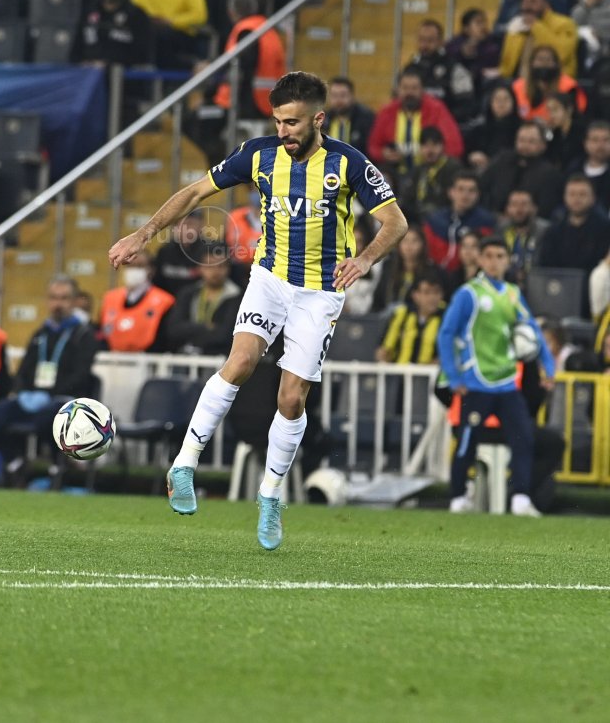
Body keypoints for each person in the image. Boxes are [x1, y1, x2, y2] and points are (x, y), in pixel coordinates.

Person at [108, 70, 408, 550]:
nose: (283, 131)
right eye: (277, 121)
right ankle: (184, 464)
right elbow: (195, 193)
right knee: (241, 362)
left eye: (292, 123)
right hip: (270, 278)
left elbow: (395, 221)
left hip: (320, 291)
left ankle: (270, 495)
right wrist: (143, 234)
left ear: (318, 119)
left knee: (291, 399)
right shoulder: (258, 155)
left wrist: (366, 259)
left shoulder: (348, 163)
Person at [437, 235, 555, 516]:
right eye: (488, 256)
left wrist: (548, 367)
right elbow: (446, 333)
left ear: (508, 261)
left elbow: (533, 331)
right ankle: (457, 497)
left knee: (524, 438)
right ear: (480, 259)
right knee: (467, 441)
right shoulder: (469, 293)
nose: (494, 262)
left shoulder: (513, 293)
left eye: (500, 257)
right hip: (476, 382)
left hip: (506, 382)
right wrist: (454, 377)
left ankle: (520, 497)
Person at [0, 275, 100, 484]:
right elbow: (24, 370)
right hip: (33, 396)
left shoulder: (83, 335)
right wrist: (21, 392)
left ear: (74, 302)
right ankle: (15, 461)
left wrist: (49, 394)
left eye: (64, 298)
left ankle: (58, 464)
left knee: (49, 418)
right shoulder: (41, 334)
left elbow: (81, 375)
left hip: (65, 399)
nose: (58, 304)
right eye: (53, 298)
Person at [367, 64, 464, 178]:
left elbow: (455, 147)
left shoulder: (437, 110)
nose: (409, 93)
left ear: (422, 89)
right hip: (395, 174)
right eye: (405, 88)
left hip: (429, 173)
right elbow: (373, 146)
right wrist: (383, 154)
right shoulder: (386, 112)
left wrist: (433, 155)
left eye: (414, 88)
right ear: (397, 90)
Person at [166, 243, 242, 353]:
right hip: (186, 356)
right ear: (200, 267)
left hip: (220, 356)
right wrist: (207, 327)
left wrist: (191, 331)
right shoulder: (187, 293)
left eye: (221, 266)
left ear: (228, 268)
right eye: (210, 265)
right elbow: (174, 330)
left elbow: (225, 335)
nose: (216, 271)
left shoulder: (237, 296)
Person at [479, 121, 564, 220]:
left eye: (531, 141)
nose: (525, 145)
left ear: (543, 145)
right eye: (521, 140)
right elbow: (482, 187)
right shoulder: (502, 161)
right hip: (493, 218)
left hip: (530, 224)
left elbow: (545, 209)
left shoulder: (550, 174)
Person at [75, 0, 153, 68]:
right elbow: (76, 49)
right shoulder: (87, 12)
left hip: (124, 74)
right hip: (89, 73)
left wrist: (110, 65)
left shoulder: (137, 15)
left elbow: (143, 55)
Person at [408, 17, 477, 134]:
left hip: (445, 129)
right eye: (421, 40)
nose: (425, 45)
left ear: (440, 41)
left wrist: (441, 120)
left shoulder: (454, 68)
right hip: (413, 128)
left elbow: (466, 106)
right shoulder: (410, 69)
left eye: (430, 40)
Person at [536, 174, 610, 279]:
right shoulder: (554, 231)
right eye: (572, 194)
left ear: (593, 198)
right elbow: (545, 265)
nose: (577, 199)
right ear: (564, 197)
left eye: (582, 194)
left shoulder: (604, 230)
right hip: (559, 284)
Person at [498, 0, 578, 80]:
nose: (527, 6)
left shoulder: (565, 24)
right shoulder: (516, 26)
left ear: (546, 3)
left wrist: (536, 26)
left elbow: (561, 54)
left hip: (555, 82)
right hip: (518, 83)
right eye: (524, 1)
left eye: (533, 1)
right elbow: (507, 65)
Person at [100, 250, 176, 352]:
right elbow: (101, 331)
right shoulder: (110, 298)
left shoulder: (165, 301)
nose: (134, 270)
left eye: (140, 266)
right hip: (112, 357)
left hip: (149, 357)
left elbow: (166, 337)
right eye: (130, 266)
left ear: (151, 270)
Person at [423, 169, 495, 273]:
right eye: (460, 189)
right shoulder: (435, 220)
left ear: (478, 194)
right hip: (435, 274)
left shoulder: (485, 221)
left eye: (471, 190)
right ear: (451, 192)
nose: (465, 195)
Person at [376, 267, 446, 364]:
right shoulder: (401, 315)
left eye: (436, 292)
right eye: (427, 292)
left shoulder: (447, 317)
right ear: (415, 295)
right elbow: (383, 350)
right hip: (399, 371)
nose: (432, 297)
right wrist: (384, 355)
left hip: (431, 373)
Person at [398, 124, 460, 222]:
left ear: (442, 146)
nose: (430, 150)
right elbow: (407, 198)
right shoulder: (418, 169)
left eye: (434, 145)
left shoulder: (452, 167)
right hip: (418, 217)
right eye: (425, 145)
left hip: (444, 217)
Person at [511, 44, 584, 122]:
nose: (544, 63)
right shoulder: (518, 86)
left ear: (556, 64)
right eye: (540, 59)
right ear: (531, 63)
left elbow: (575, 116)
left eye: (548, 60)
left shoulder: (569, 86)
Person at [498, 189, 549, 292]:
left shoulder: (545, 231)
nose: (519, 209)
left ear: (534, 208)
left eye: (524, 204)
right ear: (507, 208)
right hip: (506, 286)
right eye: (514, 204)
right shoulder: (501, 230)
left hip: (538, 286)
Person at [444, 8, 501, 100]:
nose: (483, 26)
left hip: (484, 88)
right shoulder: (455, 44)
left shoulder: (492, 44)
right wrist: (462, 52)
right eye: (478, 23)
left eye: (484, 22)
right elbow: (450, 55)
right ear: (466, 28)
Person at [372, 222, 430, 310]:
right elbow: (378, 298)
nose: (409, 247)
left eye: (414, 241)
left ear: (423, 244)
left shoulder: (430, 272)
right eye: (405, 241)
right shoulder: (389, 267)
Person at [322, 75, 375, 154]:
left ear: (352, 96)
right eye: (334, 95)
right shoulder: (323, 120)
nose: (338, 100)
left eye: (343, 95)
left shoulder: (366, 119)